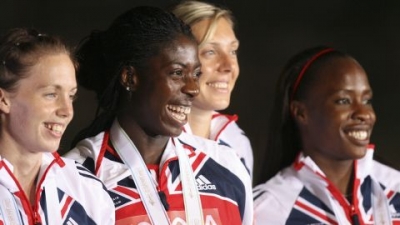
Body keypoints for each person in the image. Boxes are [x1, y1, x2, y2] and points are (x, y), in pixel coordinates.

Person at [65, 6, 252, 225]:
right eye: (177, 73)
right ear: (130, 78)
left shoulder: (227, 165)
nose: (193, 88)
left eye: (196, 74)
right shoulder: (76, 178)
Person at [253, 46, 400, 224]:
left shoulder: (394, 188)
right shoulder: (268, 209)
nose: (365, 114)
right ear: (301, 113)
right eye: (343, 101)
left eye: (366, 100)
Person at [0, 28, 114, 224]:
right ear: (3, 100)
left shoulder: (87, 189)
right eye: (51, 94)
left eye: (71, 96)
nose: (67, 111)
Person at [171, 1, 254, 177]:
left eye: (232, 51)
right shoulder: (150, 142)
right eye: (210, 52)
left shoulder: (237, 143)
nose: (229, 66)